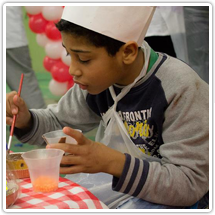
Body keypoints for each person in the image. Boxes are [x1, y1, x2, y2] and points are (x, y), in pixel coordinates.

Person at [6, 6, 209, 209]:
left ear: (128, 52)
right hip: (124, 188)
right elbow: (59, 122)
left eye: (84, 59)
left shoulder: (179, 88)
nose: (72, 70)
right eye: (69, 55)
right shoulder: (97, 84)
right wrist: (27, 120)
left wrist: (111, 162)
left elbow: (189, 184)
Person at [6, 6, 46, 109]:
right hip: (12, 37)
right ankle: (42, 122)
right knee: (25, 85)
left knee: (25, 85)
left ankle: (42, 122)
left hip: (11, 37)